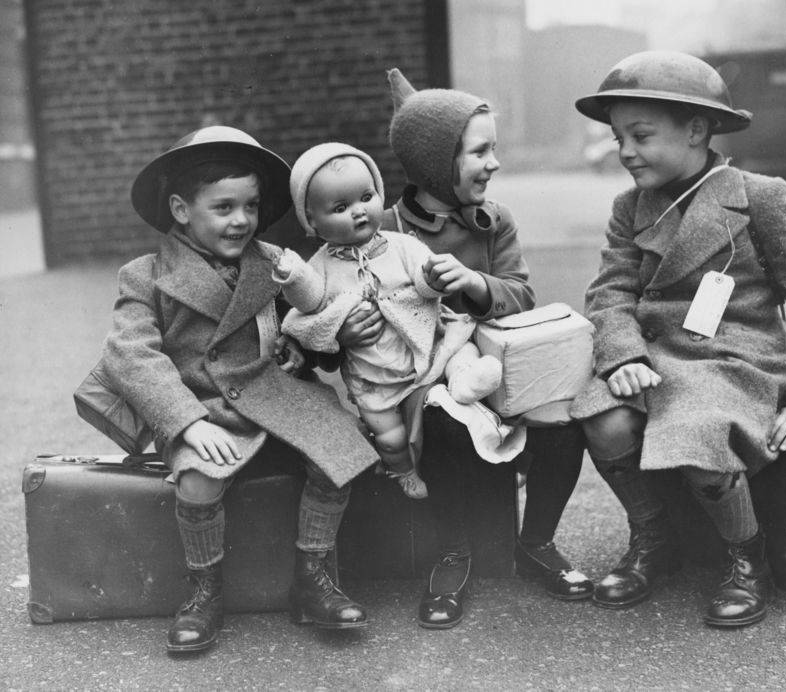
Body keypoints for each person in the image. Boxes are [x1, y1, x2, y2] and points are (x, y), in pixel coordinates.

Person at [570, 51, 786, 627]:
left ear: (697, 130)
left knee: (697, 427)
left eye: (640, 135)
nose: (624, 151)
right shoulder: (630, 208)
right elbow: (609, 293)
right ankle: (653, 537)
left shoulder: (758, 195)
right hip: (654, 355)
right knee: (601, 415)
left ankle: (749, 559)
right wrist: (623, 354)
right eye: (619, 136)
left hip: (736, 358)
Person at [102, 125, 379, 653]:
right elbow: (131, 354)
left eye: (250, 206)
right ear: (182, 210)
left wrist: (305, 346)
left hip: (272, 391)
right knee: (199, 482)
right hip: (201, 405)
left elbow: (306, 316)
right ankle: (204, 591)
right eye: (224, 207)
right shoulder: (145, 276)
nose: (241, 220)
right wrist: (185, 421)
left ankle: (311, 579)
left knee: (338, 452)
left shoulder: (271, 261)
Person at [344, 68, 594, 630]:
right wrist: (349, 329)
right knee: (446, 423)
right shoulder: (381, 228)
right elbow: (342, 297)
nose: (494, 163)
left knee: (566, 417)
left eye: (493, 150)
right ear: (436, 161)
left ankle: (537, 541)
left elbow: (522, 293)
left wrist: (476, 283)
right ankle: (452, 551)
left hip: (497, 363)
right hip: (424, 377)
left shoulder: (494, 221)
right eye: (480, 152)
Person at [273, 142, 503, 500]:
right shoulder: (322, 266)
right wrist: (294, 277)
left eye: (366, 196)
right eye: (340, 207)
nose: (359, 211)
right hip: (374, 377)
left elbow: (426, 284)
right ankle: (404, 471)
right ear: (312, 222)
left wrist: (433, 277)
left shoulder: (401, 246)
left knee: (460, 346)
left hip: (428, 348)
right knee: (390, 438)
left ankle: (464, 380)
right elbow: (309, 303)